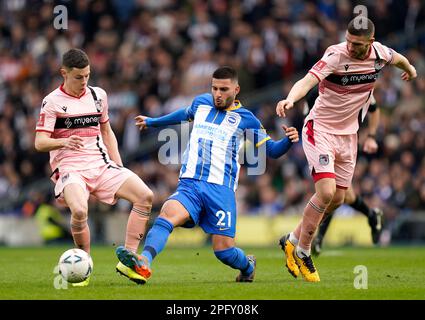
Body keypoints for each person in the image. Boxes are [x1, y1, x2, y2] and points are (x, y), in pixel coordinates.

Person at [114, 66, 299, 284]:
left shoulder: (247, 119)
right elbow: (183, 115)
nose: (218, 94)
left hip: (220, 192)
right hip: (190, 185)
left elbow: (273, 151)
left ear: (236, 89)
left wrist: (288, 140)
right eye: (214, 88)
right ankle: (143, 261)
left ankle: (248, 266)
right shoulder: (201, 103)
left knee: (223, 252)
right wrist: (153, 121)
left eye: (223, 89)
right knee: (166, 216)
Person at [276, 18, 416, 282]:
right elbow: (307, 81)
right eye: (349, 41)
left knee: (339, 199)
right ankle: (303, 251)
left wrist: (411, 69)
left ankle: (291, 240)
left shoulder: (380, 54)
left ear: (370, 43)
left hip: (349, 136)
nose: (351, 47)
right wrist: (290, 99)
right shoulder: (336, 55)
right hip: (320, 130)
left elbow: (398, 58)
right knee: (326, 192)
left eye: (358, 44)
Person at [34, 48, 154, 286]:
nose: (84, 81)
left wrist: (118, 166)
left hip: (101, 164)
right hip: (70, 169)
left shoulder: (99, 95)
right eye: (78, 77)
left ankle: (129, 259)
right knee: (79, 211)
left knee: (145, 196)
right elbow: (39, 143)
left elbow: (107, 132)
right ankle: (84, 264)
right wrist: (63, 141)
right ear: (63, 74)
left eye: (87, 75)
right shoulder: (52, 102)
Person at [302, 90, 384, 256]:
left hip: (346, 144)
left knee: (337, 194)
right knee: (338, 194)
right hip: (323, 144)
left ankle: (318, 238)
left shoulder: (358, 84)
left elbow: (374, 110)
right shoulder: (314, 93)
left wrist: (372, 136)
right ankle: (372, 215)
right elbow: (307, 119)